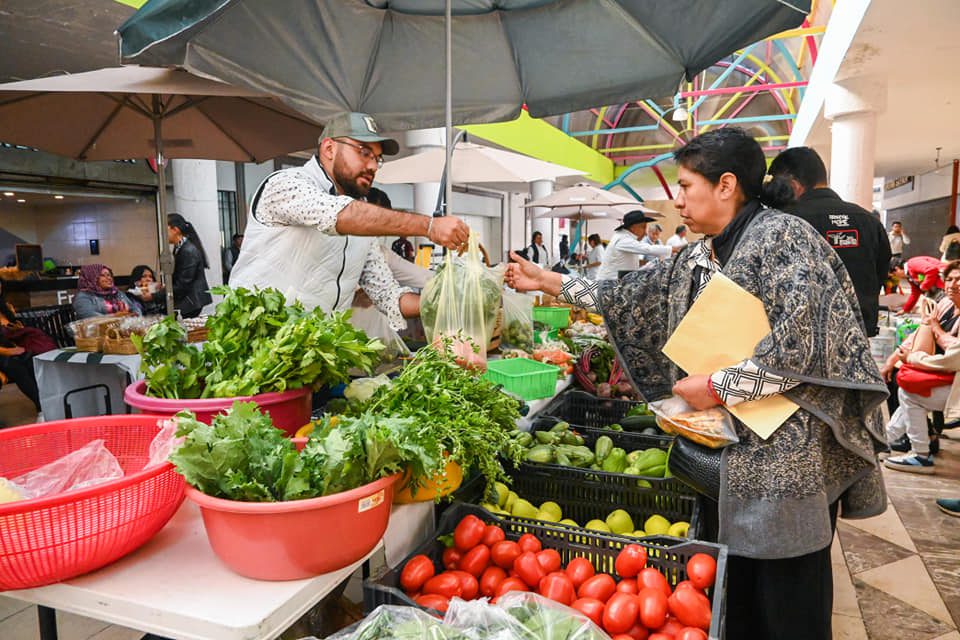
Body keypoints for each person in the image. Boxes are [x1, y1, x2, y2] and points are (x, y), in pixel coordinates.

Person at [504, 127, 887, 640]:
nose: (677, 199)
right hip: (729, 450)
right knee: (739, 587)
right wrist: (547, 281)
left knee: (789, 593)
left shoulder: (785, 239)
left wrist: (719, 387)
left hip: (784, 456)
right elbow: (629, 297)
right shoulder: (700, 254)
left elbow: (809, 346)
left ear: (726, 185)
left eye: (686, 186)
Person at [229, 112, 468, 329]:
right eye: (364, 152)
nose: (373, 165)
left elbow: (388, 296)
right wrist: (428, 226)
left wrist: (445, 300)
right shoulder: (286, 184)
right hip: (257, 350)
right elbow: (335, 214)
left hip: (315, 357)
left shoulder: (360, 226)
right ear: (329, 149)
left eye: (377, 158)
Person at [766, 147, 891, 337]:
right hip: (857, 338)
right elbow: (879, 276)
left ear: (793, 184)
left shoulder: (785, 221)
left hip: (802, 341)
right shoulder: (869, 221)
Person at [879, 260, 960, 473]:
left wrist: (913, 357)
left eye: (959, 280)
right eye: (950, 279)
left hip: (954, 381)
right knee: (898, 376)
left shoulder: (916, 268)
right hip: (946, 374)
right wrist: (893, 360)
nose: (953, 284)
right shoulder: (946, 304)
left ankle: (919, 452)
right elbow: (917, 335)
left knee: (909, 392)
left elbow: (954, 358)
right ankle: (888, 440)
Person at [596, 210, 677, 280]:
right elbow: (648, 249)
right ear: (633, 227)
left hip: (618, 281)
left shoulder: (624, 237)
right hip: (608, 284)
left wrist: (652, 263)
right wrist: (672, 249)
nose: (645, 233)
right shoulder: (622, 239)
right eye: (643, 227)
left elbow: (632, 261)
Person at [167, 213, 213, 319]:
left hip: (191, 301)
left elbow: (183, 283)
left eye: (166, 229)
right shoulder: (180, 247)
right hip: (190, 299)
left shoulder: (188, 250)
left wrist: (156, 295)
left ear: (175, 229)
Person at [73, 264, 142, 320]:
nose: (109, 278)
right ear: (92, 278)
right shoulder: (83, 297)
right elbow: (90, 317)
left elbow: (134, 308)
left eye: (109, 275)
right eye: (103, 275)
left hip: (125, 331)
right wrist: (117, 318)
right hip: (98, 335)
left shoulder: (117, 293)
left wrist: (135, 315)